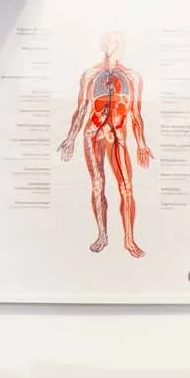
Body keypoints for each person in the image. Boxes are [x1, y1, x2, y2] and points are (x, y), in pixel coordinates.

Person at [57, 31, 151, 257]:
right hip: (93, 134)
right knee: (98, 184)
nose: (117, 46)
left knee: (126, 187)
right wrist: (70, 138)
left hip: (118, 135)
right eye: (113, 42)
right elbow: (81, 108)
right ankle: (102, 235)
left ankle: (129, 240)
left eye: (119, 42)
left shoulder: (133, 77)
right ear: (105, 46)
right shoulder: (90, 74)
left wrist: (141, 144)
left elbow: (136, 114)